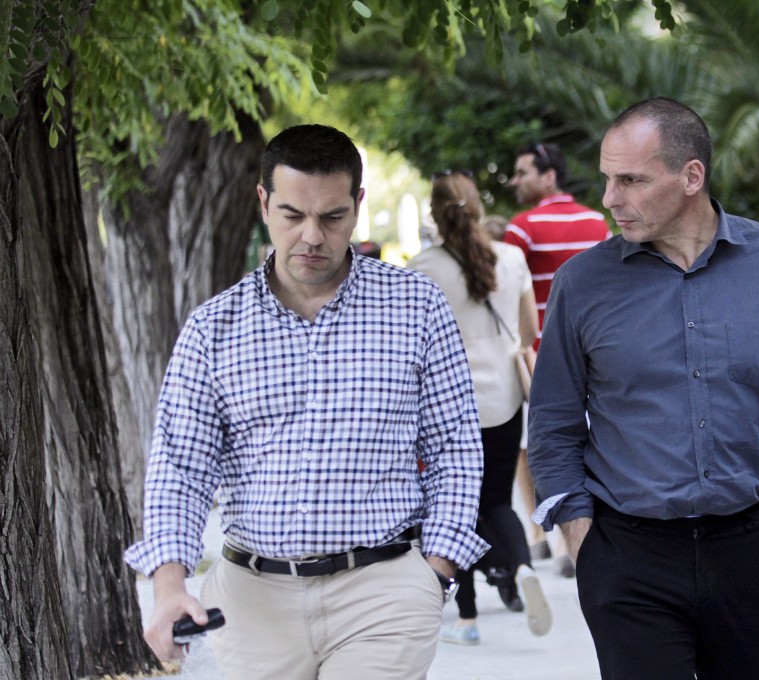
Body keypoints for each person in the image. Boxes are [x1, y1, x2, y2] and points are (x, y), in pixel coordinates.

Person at [527, 97, 759, 679]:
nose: (610, 198)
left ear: (692, 176)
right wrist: (583, 542)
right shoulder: (582, 284)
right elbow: (553, 424)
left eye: (631, 180)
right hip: (627, 557)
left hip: (750, 551)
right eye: (607, 179)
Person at [124, 124, 488, 680]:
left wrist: (434, 572)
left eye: (332, 216)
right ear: (264, 203)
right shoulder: (212, 328)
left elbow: (454, 446)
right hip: (253, 602)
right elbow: (181, 467)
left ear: (358, 206)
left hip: (383, 592)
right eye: (293, 215)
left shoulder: (416, 307)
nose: (312, 236)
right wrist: (169, 587)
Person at [408, 170, 551, 645]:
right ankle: (524, 568)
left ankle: (466, 619)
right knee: (496, 501)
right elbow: (528, 330)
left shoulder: (422, 267)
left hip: (448, 406)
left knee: (452, 509)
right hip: (505, 400)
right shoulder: (510, 258)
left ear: (435, 214)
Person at [504, 141, 611, 576]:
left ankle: (540, 539)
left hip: (540, 357)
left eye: (523, 172)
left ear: (549, 176)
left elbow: (510, 293)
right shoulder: (596, 222)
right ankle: (580, 538)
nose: (515, 181)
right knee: (589, 442)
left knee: (531, 447)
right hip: (596, 353)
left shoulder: (522, 229)